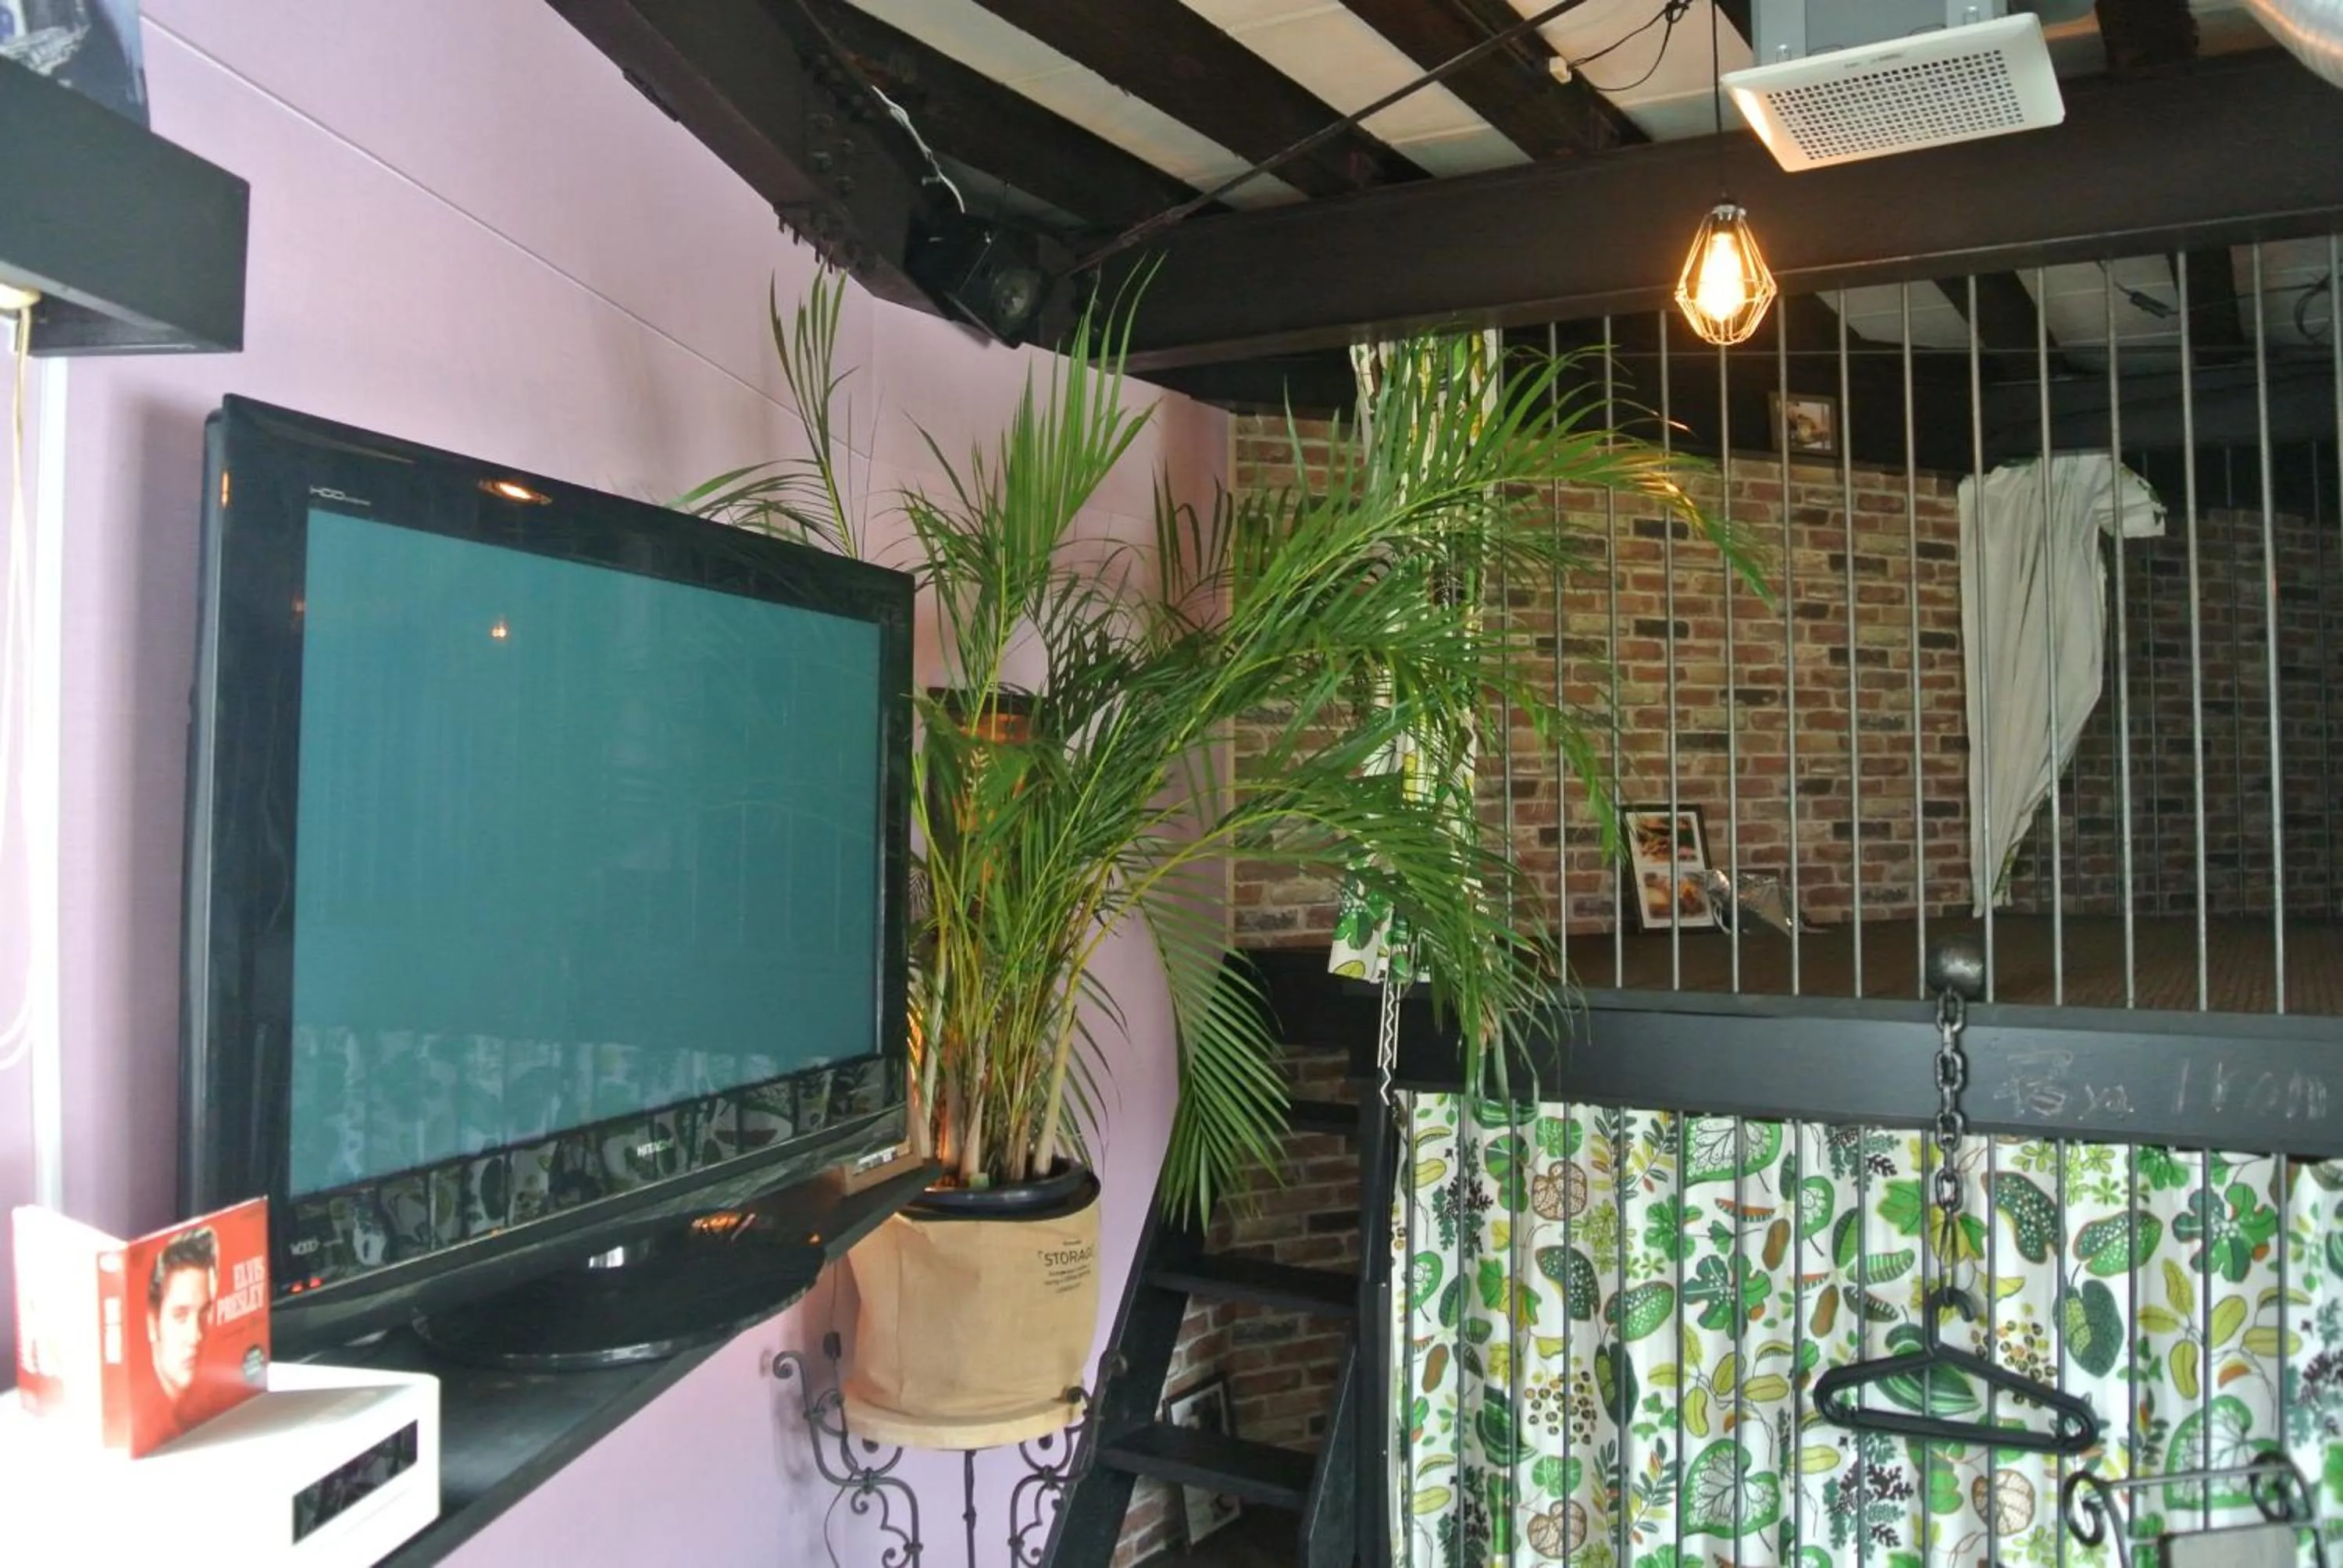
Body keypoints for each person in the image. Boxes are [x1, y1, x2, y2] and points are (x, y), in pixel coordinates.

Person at [146, 1227, 219, 1438]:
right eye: (180, 1316)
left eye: (204, 1313)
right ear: (153, 1322)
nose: (196, 1336)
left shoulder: (200, 1408)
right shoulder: (147, 1428)